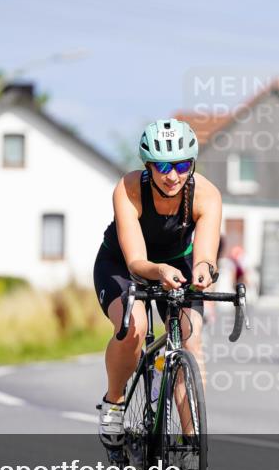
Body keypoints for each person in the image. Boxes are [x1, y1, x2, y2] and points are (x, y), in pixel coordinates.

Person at [92, 119, 222, 448]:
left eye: (181, 165)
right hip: (123, 263)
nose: (173, 175)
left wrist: (204, 271)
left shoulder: (206, 195)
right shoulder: (129, 188)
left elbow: (205, 255)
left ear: (191, 164)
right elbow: (137, 261)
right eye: (163, 166)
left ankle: (192, 444)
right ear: (149, 166)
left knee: (190, 342)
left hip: (177, 264)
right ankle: (115, 403)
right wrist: (158, 270)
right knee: (133, 326)